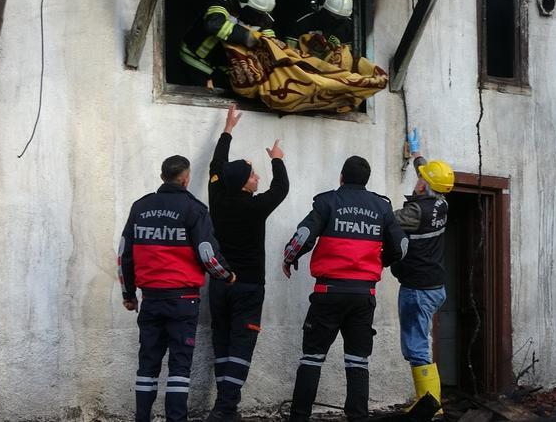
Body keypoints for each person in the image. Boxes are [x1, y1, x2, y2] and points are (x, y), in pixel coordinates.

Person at [281, 156, 409, 422]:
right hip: (364, 295)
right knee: (358, 361)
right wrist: (382, 261)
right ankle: (358, 417)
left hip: (328, 293)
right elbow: (402, 246)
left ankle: (299, 417)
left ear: (341, 177)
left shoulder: (327, 201)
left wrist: (289, 258)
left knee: (312, 359)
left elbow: (303, 237)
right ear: (366, 180)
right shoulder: (382, 207)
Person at [118, 155, 235, 422]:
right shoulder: (194, 209)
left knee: (147, 364)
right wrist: (226, 276)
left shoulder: (140, 207)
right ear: (185, 179)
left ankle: (142, 418)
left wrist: (128, 294)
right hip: (184, 300)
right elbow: (208, 254)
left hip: (151, 299)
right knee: (179, 367)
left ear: (163, 177)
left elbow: (125, 254)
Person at [206, 104, 289, 422]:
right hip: (249, 286)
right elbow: (281, 188)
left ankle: (224, 408)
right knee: (241, 345)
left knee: (222, 341)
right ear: (243, 183)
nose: (257, 178)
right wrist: (277, 159)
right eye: (253, 175)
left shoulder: (218, 198)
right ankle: (226, 408)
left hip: (219, 284)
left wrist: (227, 131)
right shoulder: (255, 207)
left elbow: (216, 165)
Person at [390, 129, 454, 412]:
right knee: (418, 344)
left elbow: (386, 222)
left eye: (421, 178)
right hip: (434, 287)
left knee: (416, 347)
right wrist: (417, 155)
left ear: (422, 187)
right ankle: (427, 402)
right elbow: (429, 176)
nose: (418, 179)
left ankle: (431, 407)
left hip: (418, 289)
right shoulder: (442, 202)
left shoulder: (416, 213)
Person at [179, 0, 277, 89]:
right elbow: (213, 24)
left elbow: (270, 41)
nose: (258, 18)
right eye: (255, 12)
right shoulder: (225, 0)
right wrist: (247, 36)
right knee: (202, 94)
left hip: (223, 65)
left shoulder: (262, 14)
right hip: (195, 57)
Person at [285, 0, 354, 58]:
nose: (336, 20)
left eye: (341, 18)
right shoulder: (304, 23)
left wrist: (339, 48)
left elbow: (350, 56)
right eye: (332, 16)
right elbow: (290, 52)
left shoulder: (350, 26)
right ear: (321, 6)